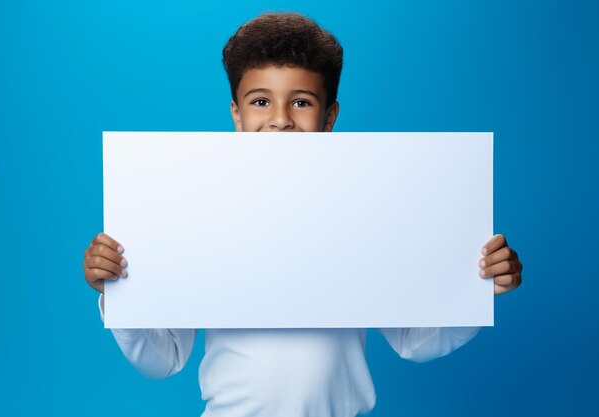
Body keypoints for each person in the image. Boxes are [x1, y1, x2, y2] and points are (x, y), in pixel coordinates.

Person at [83, 12, 523, 417]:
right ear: (236, 115)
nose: (279, 121)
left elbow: (414, 341)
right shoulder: (198, 215)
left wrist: (477, 288)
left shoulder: (365, 216)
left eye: (300, 102)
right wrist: (119, 292)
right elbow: (164, 359)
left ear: (329, 117)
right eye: (259, 102)